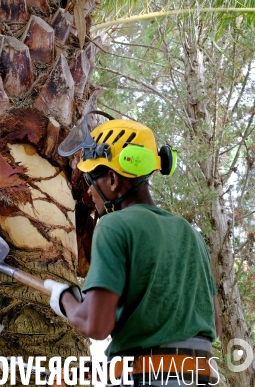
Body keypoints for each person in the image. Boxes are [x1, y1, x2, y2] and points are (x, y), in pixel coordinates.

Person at [44, 114, 221, 386]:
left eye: (92, 181)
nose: (90, 192)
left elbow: (96, 326)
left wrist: (66, 300)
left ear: (113, 180)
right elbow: (213, 327)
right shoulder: (189, 233)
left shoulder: (114, 226)